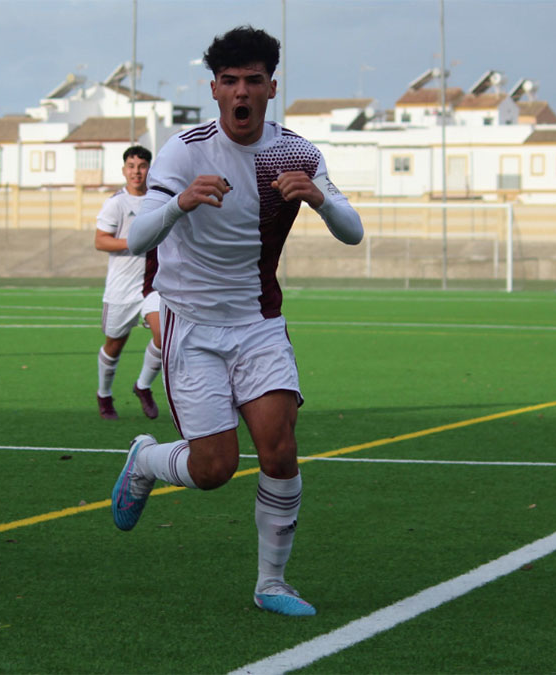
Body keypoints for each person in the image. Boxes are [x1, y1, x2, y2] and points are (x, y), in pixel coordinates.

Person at [109, 26, 363, 616]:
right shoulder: (183, 151)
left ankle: (271, 583)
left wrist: (322, 201)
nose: (241, 92)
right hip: (190, 326)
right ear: (215, 90)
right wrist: (179, 202)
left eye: (253, 80)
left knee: (279, 452)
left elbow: (353, 231)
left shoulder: (295, 152)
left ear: (271, 88)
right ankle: (146, 460)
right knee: (215, 468)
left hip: (258, 323)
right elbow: (134, 239)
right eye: (229, 82)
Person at [93, 145, 163, 420]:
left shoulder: (158, 200)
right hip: (121, 289)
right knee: (114, 346)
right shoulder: (116, 203)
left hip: (152, 287)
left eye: (142, 166)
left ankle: (143, 386)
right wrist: (135, 242)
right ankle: (104, 394)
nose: (137, 172)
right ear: (124, 170)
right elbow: (100, 240)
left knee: (164, 336)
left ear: (149, 169)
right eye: (132, 166)